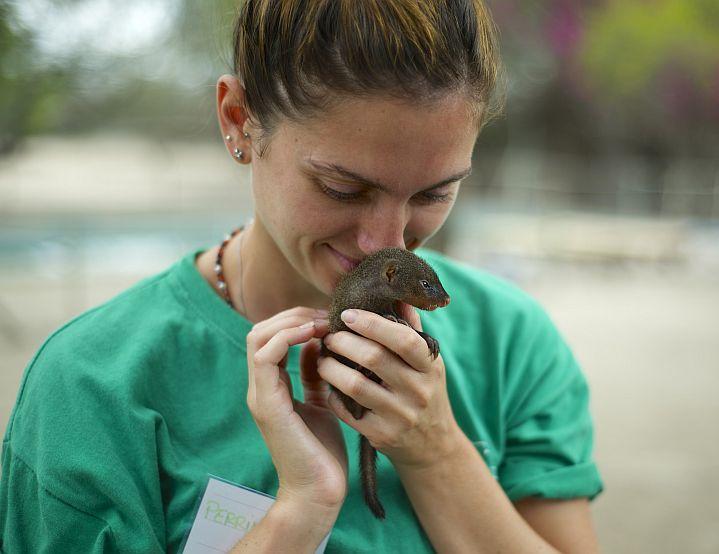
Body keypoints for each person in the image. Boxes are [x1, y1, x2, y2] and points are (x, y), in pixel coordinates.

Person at [0, 1, 603, 552]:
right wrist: (299, 512)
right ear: (239, 121)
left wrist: (435, 450)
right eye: (343, 188)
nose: (384, 241)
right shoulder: (93, 384)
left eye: (434, 193)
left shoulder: (513, 341)